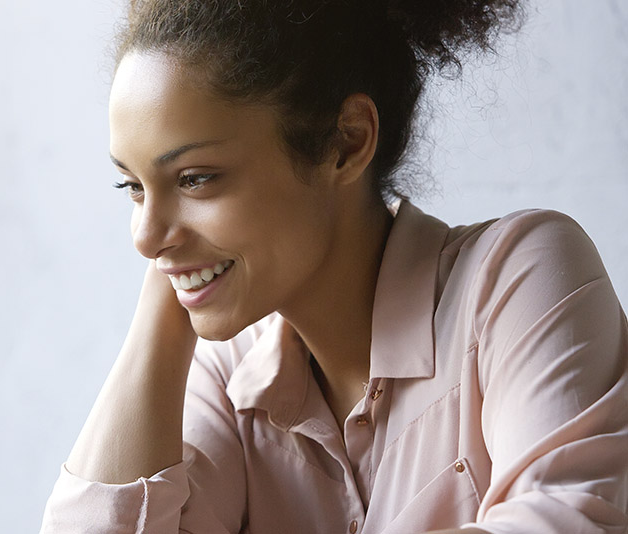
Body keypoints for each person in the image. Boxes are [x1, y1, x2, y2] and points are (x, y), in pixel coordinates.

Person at [41, 1, 628, 532]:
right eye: (133, 185)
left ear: (346, 142)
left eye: (195, 179)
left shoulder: (518, 277)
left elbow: (567, 521)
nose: (143, 239)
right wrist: (165, 308)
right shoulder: (227, 376)